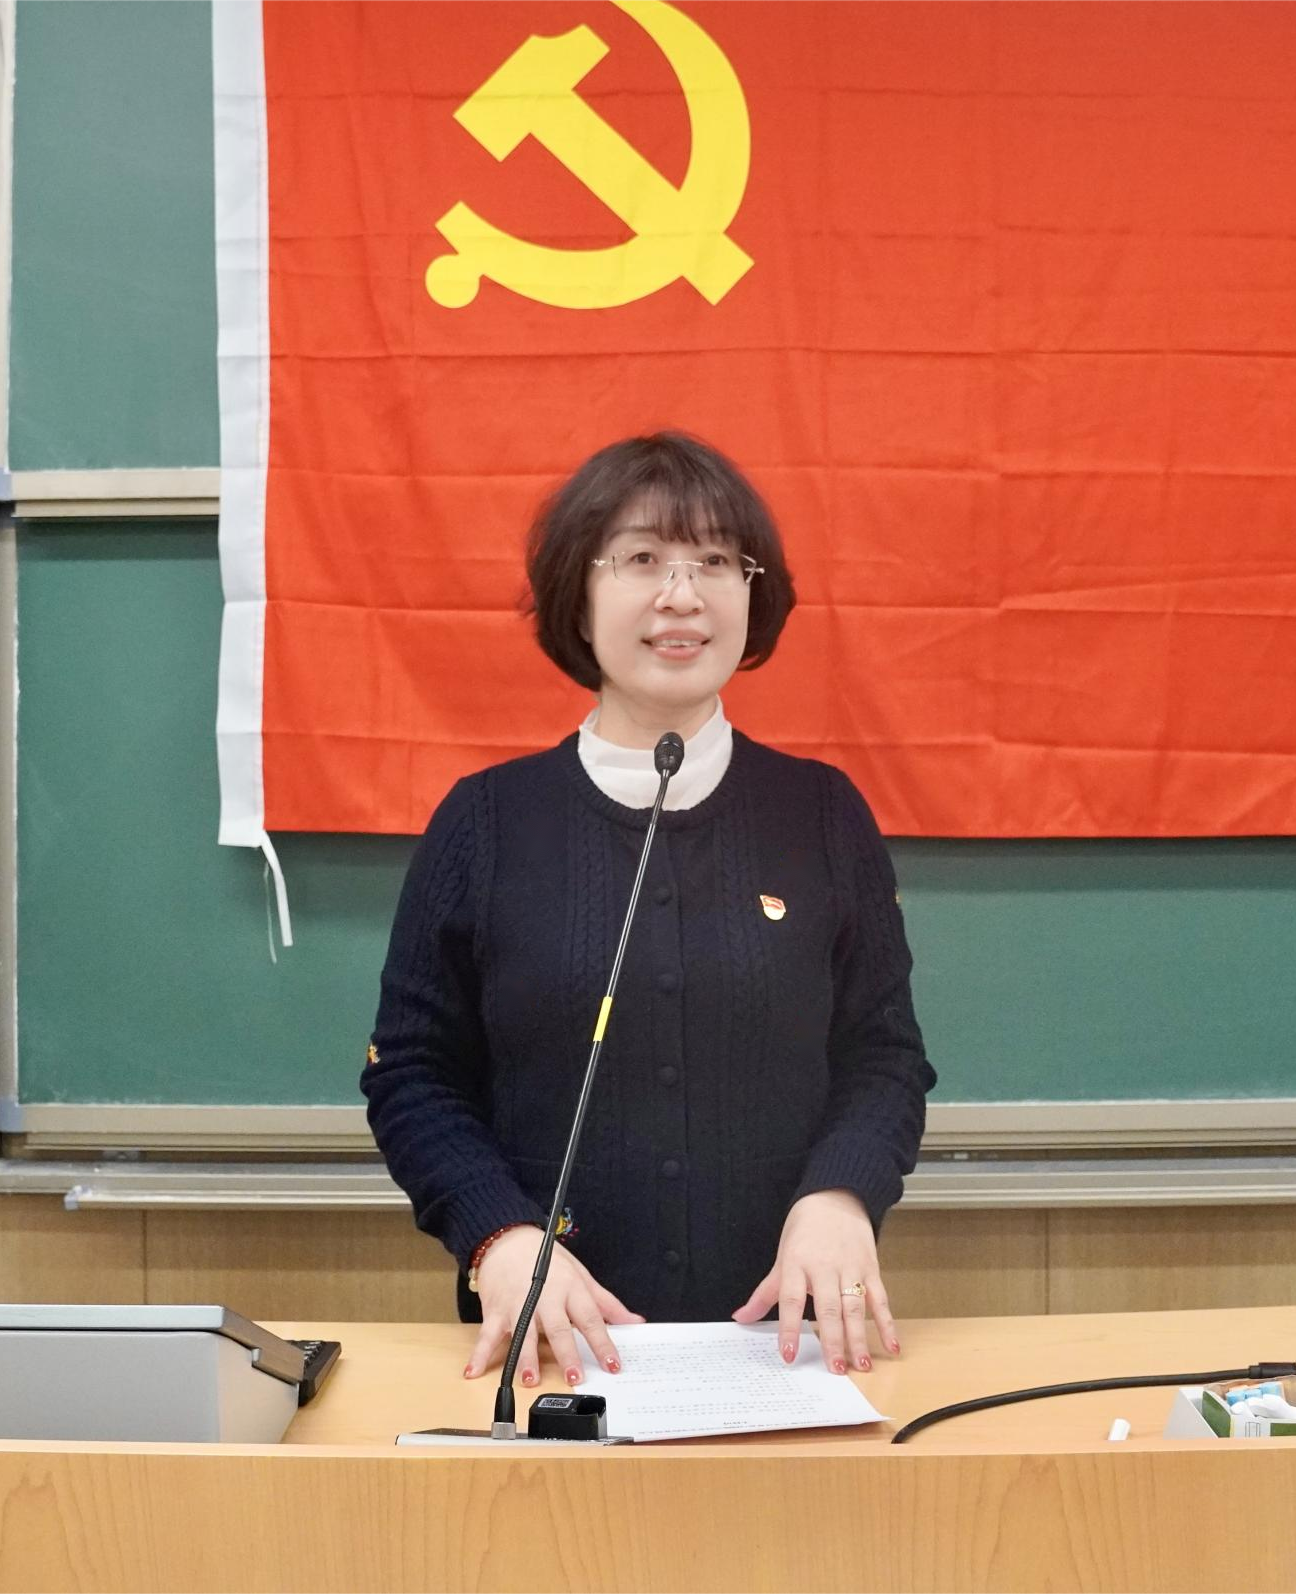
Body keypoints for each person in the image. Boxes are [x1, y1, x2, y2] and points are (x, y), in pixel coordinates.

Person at [363, 432, 937, 1395]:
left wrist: (843, 1195)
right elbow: (412, 1074)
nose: (682, 595)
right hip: (553, 1354)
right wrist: (498, 1236)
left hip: (786, 1350)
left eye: (715, 561)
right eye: (641, 559)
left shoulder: (822, 813)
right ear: (577, 596)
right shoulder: (485, 822)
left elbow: (884, 1058)